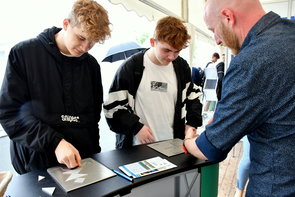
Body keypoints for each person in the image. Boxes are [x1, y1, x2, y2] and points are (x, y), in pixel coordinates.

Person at [184, 0, 295, 196]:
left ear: (228, 17)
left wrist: (188, 140)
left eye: (213, 30)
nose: (217, 40)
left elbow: (210, 148)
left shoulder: (250, 62)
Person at [0, 0, 111, 174]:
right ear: (66, 24)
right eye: (81, 38)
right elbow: (11, 113)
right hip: (36, 161)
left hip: (82, 161)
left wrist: (94, 156)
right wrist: (55, 143)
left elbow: (92, 118)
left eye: (92, 42)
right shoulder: (23, 54)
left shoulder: (91, 66)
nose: (85, 47)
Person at [103, 16, 203, 149]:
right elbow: (112, 108)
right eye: (166, 50)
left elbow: (193, 97)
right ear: (152, 42)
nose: (172, 57)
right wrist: (136, 127)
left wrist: (192, 124)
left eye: (177, 51)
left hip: (173, 145)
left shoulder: (181, 66)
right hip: (137, 148)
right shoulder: (131, 68)